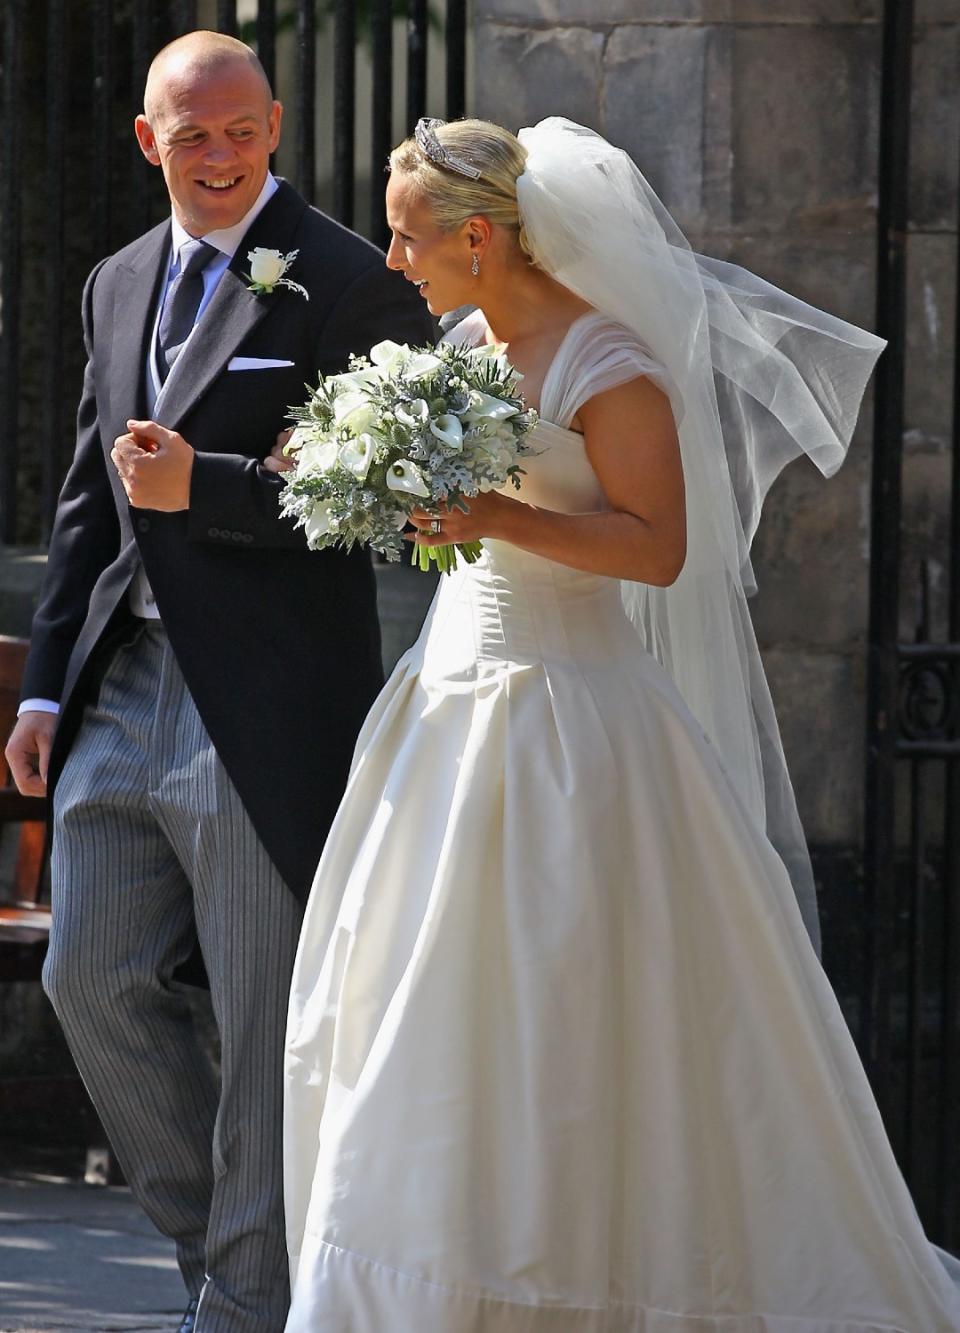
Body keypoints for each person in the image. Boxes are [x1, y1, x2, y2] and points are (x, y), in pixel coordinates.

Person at [275, 117, 960, 1330]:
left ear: (478, 235)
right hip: (449, 710)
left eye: (406, 233)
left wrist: (495, 509)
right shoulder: (462, 340)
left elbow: (659, 546)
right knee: (419, 1011)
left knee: (576, 1017)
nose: (391, 257)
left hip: (572, 731)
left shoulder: (612, 364)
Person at [3, 31, 431, 1333]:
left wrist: (219, 490)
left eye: (242, 130)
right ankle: (233, 1260)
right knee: (92, 977)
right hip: (120, 696)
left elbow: (395, 503)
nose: (222, 155)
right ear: (150, 142)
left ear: (278, 126)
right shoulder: (117, 279)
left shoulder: (349, 280)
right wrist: (43, 690)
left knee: (259, 1021)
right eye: (193, 134)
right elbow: (90, 496)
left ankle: (245, 1306)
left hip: (265, 703)